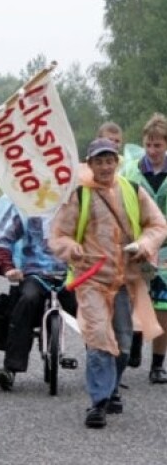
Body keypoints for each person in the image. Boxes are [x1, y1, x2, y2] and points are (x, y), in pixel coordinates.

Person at [50, 137, 167, 429]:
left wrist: (143, 244)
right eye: (99, 161)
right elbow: (59, 235)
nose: (105, 166)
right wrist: (72, 249)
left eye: (110, 160)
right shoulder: (79, 196)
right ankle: (99, 402)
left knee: (124, 345)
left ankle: (111, 386)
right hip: (92, 281)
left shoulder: (133, 190)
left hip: (126, 282)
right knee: (100, 339)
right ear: (90, 165)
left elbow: (158, 225)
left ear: (117, 162)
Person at [0, 195, 76, 391]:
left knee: (92, 312)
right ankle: (10, 368)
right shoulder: (25, 203)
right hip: (35, 274)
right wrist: (8, 267)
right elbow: (2, 238)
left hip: (72, 274)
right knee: (26, 301)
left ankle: (104, 368)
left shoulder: (78, 201)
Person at [121, 113, 167, 383]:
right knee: (131, 300)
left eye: (158, 145)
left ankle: (158, 365)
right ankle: (133, 344)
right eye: (148, 145)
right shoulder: (130, 172)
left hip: (165, 250)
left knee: (163, 307)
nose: (152, 151)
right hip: (137, 246)